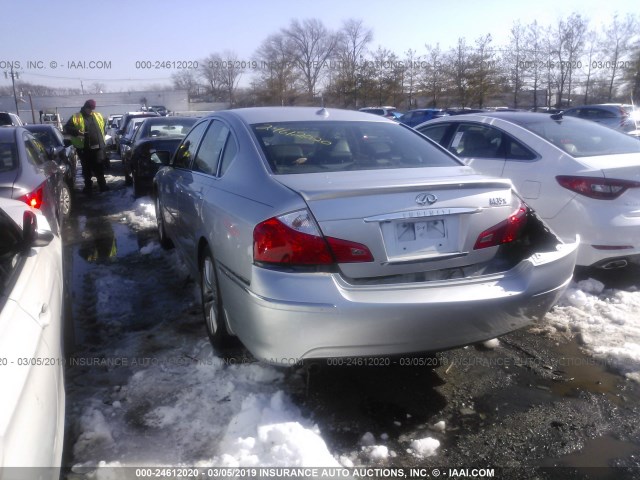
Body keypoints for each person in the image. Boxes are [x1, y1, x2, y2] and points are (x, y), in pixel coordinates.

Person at [64, 99, 109, 194]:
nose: (90, 110)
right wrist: (77, 132)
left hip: (98, 147)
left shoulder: (97, 115)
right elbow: (67, 128)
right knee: (86, 169)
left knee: (99, 167)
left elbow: (102, 127)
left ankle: (103, 185)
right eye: (89, 108)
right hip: (84, 148)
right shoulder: (76, 117)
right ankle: (88, 187)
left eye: (92, 109)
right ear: (85, 107)